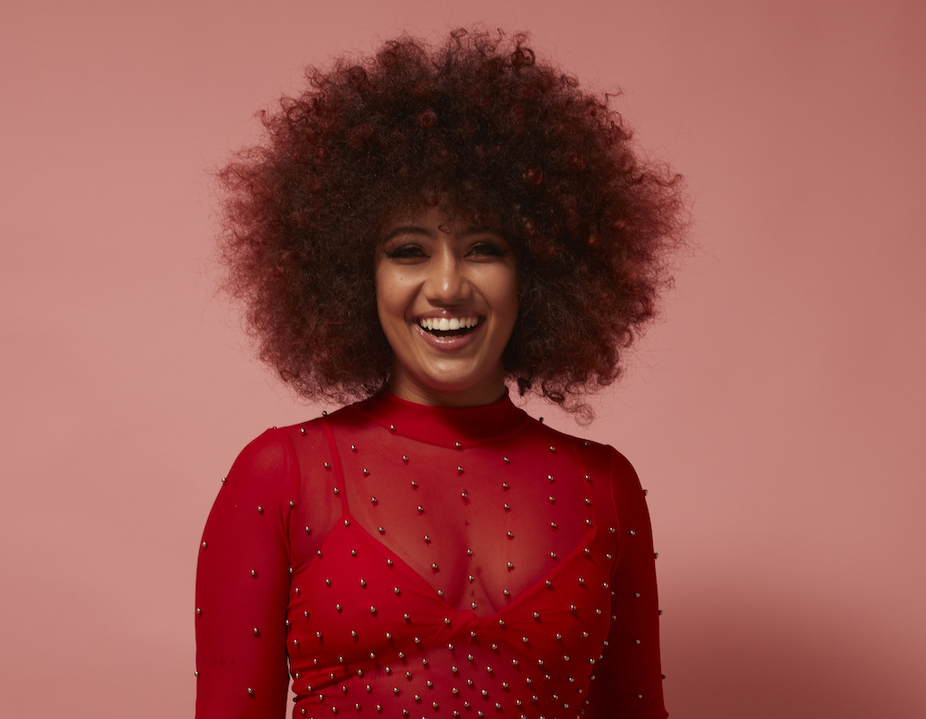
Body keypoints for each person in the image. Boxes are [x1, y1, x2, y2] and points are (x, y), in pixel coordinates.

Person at [196, 28, 686, 719]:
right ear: (354, 274)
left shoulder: (607, 488)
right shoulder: (279, 474)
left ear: (537, 273)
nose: (448, 286)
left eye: (484, 247)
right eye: (408, 250)